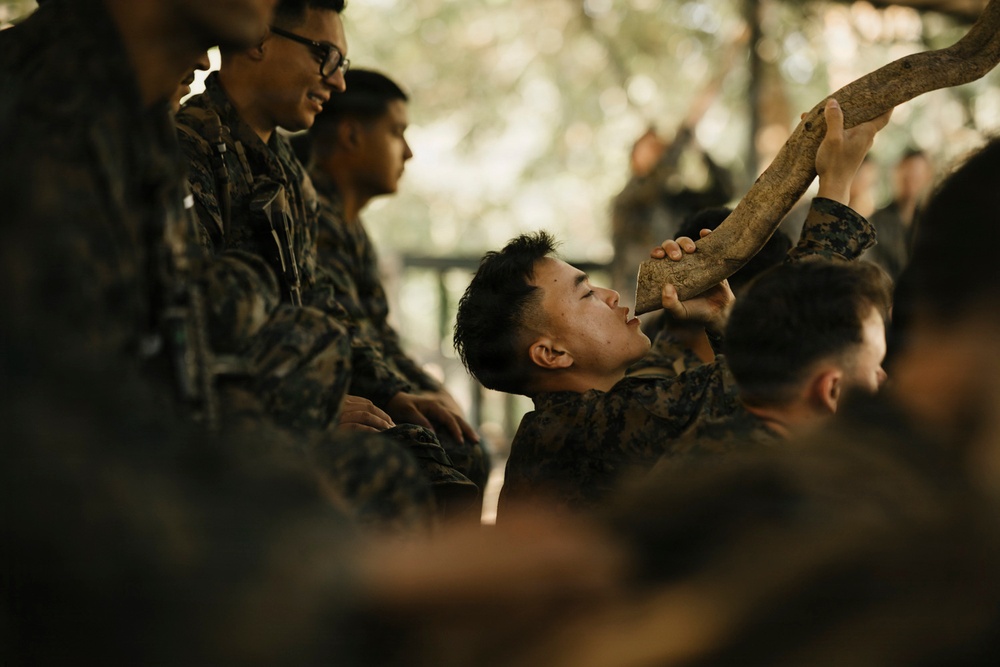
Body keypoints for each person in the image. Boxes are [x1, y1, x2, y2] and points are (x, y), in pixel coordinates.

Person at [454, 98, 890, 513]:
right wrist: (834, 185)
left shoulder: (588, 418)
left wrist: (725, 318)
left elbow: (743, 385)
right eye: (586, 294)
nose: (610, 295)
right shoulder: (587, 431)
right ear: (551, 353)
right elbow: (782, 367)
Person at [175, 1, 480, 512]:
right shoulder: (191, 148)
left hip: (303, 401)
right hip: (237, 421)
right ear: (257, 39)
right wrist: (305, 406)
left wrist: (390, 391)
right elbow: (191, 323)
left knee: (447, 467)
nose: (337, 83)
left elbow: (321, 304)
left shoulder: (291, 172)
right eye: (327, 57)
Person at [294, 67, 490, 495]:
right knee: (461, 453)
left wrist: (428, 389)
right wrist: (401, 391)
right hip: (324, 401)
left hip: (355, 393)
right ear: (351, 135)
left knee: (463, 440)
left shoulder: (348, 225)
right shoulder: (314, 216)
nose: (408, 152)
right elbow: (343, 335)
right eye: (396, 132)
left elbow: (377, 333)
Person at [863, 148, 934, 280]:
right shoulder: (875, 222)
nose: (911, 181)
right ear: (896, 174)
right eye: (907, 175)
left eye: (917, 176)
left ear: (927, 177)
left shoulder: (932, 221)